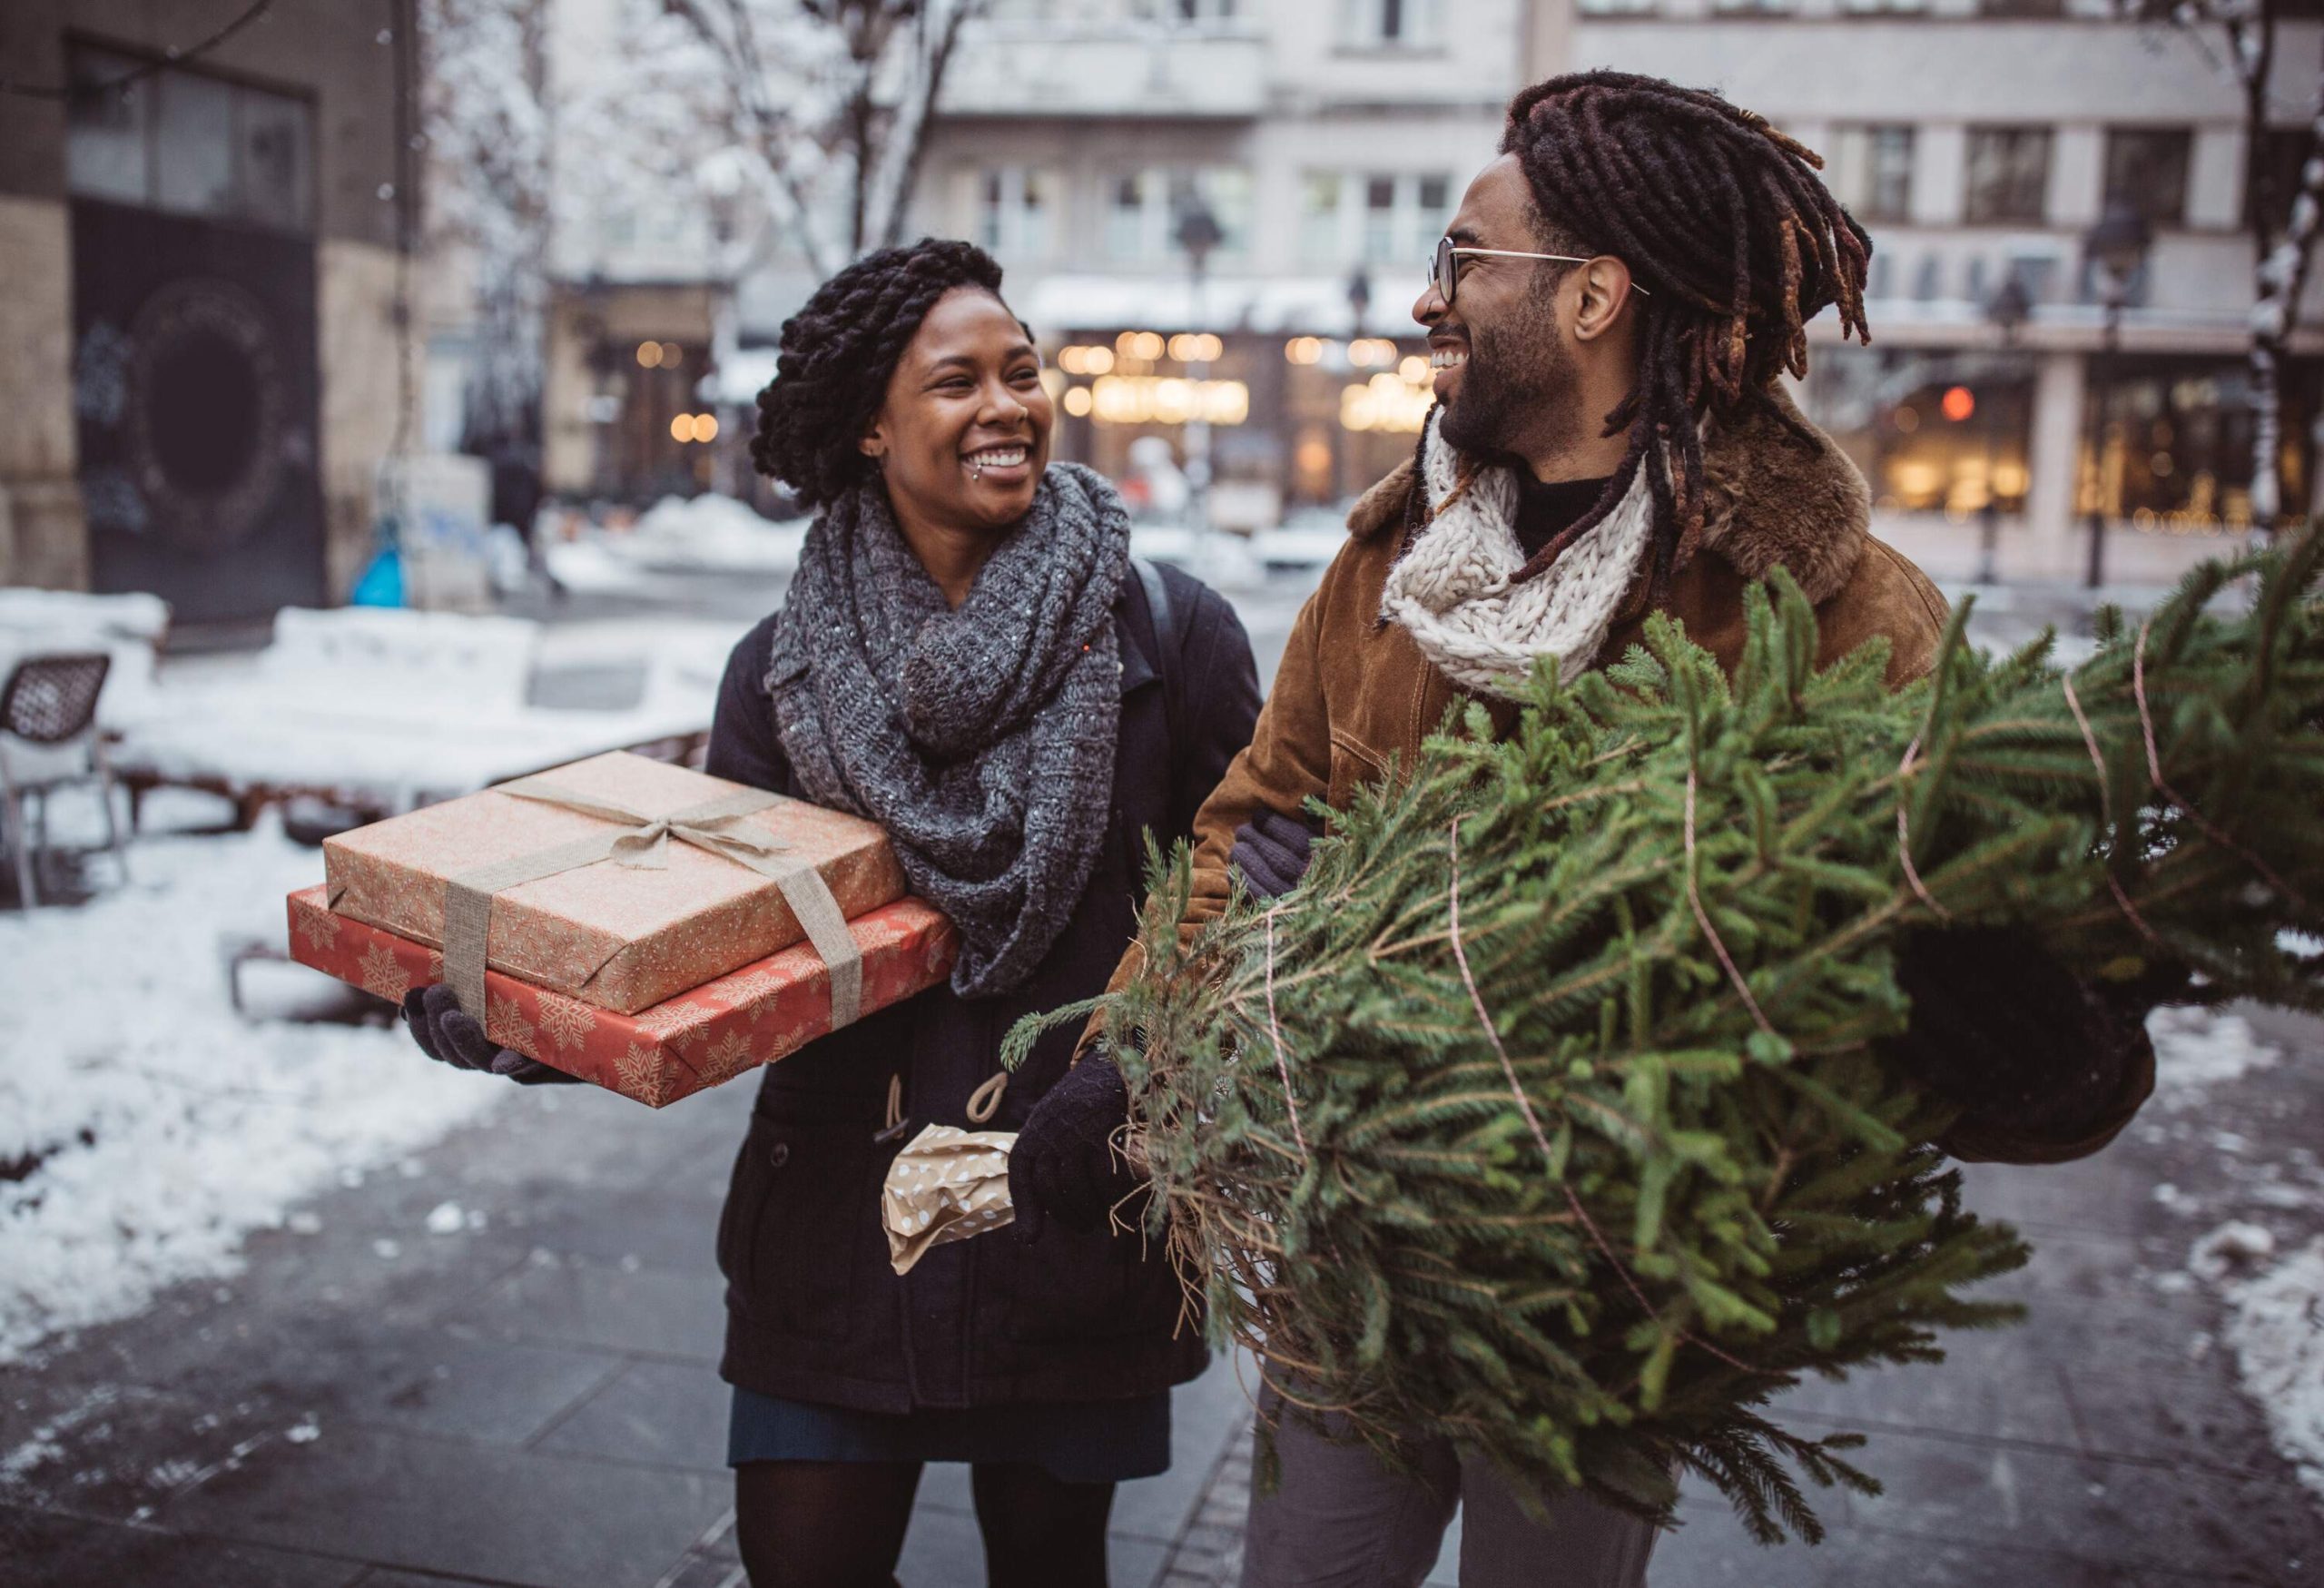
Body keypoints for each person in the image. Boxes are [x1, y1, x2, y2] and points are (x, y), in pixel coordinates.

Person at [1012, 72, 2162, 1587]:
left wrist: (2040, 1049)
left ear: (1592, 299)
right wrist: (1132, 1055)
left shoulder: (1831, 618)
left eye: (1464, 259)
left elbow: (1982, 943)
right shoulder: (1394, 564)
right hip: (1349, 1247)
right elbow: (1256, 817)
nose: (1430, 300)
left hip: (1604, 1300)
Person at [402, 238, 1262, 1588]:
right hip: (835, 1224)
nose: (1007, 405)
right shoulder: (784, 668)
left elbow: (1249, 901)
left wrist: (1136, 1089)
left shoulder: (1167, 631)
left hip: (1064, 1204)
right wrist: (526, 1009)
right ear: (870, 422)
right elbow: (710, 934)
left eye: (1023, 371)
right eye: (957, 380)